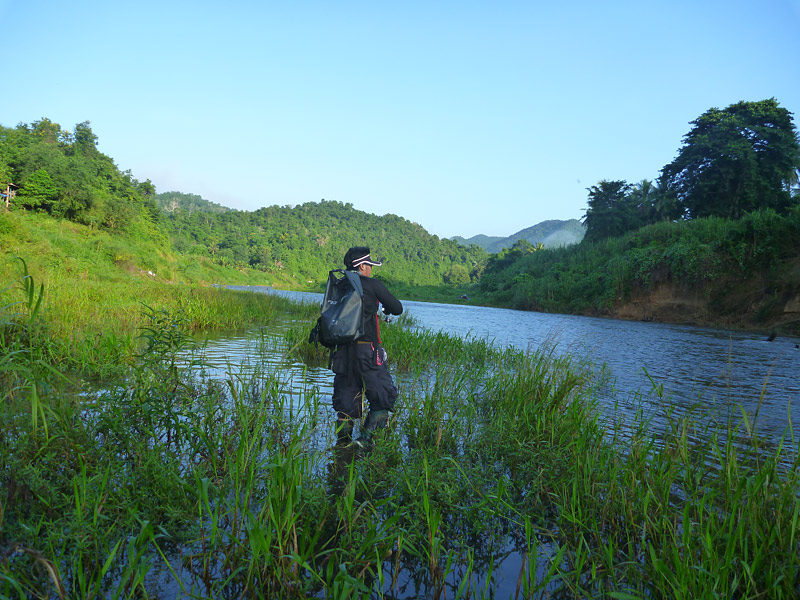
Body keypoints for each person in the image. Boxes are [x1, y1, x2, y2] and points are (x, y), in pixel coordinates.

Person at [332, 246, 403, 448]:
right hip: (367, 351)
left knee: (346, 400)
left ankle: (342, 444)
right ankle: (364, 443)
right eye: (370, 265)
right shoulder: (372, 285)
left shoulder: (339, 285)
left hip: (343, 352)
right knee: (383, 396)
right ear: (363, 266)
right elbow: (397, 308)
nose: (371, 269)